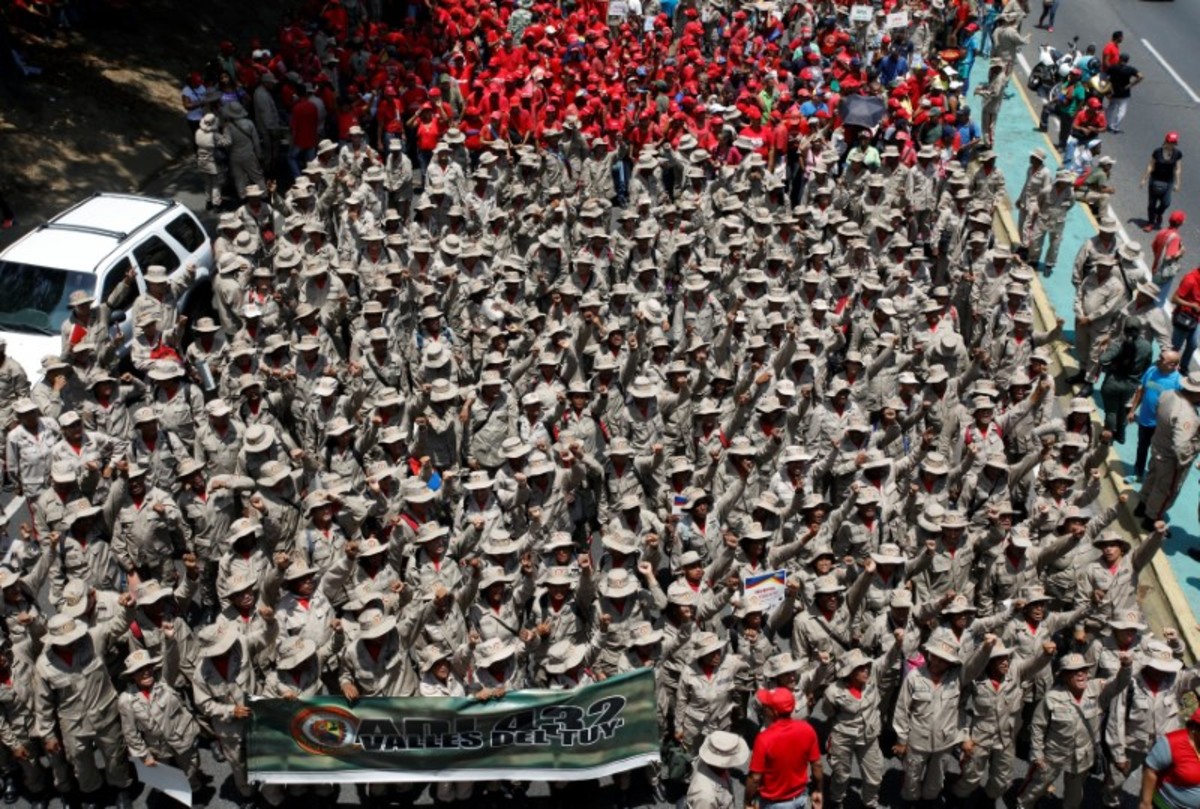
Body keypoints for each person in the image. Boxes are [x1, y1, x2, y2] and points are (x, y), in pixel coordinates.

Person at [1136, 372, 1200, 526]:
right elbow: (1181, 445)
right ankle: (1151, 519)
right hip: (1171, 459)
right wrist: (1188, 458)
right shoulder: (1188, 415)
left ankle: (1141, 507)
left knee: (1151, 478)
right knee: (1166, 490)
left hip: (1158, 446)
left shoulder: (1168, 394)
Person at [745, 687, 822, 809]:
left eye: (767, 706)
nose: (764, 708)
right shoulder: (807, 729)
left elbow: (755, 777)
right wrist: (818, 791)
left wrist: (748, 802)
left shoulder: (764, 738)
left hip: (775, 804)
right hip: (800, 798)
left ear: (775, 713)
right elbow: (817, 765)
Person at [1126, 350, 1183, 482]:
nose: (1158, 359)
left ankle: (1154, 479)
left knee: (1158, 454)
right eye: (1160, 357)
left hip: (1162, 427)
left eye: (1162, 359)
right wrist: (1132, 411)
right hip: (1145, 420)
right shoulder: (1151, 371)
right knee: (1142, 448)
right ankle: (1138, 473)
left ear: (1172, 365)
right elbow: (1141, 391)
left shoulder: (1178, 382)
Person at [1138, 707, 1200, 808]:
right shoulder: (1173, 742)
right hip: (1166, 804)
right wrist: (1145, 803)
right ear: (1195, 728)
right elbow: (1150, 770)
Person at [1142, 132, 1184, 231]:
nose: (1171, 145)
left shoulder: (1177, 154)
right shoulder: (1157, 152)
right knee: (1152, 203)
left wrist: (1178, 183)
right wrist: (1144, 178)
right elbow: (1151, 165)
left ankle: (1159, 213)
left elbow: (1177, 169)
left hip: (1168, 181)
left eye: (1173, 143)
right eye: (1170, 142)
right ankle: (1150, 223)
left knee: (1166, 202)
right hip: (1155, 179)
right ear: (1166, 141)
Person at [1105, 53, 1144, 134]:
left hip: (1113, 91)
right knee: (1122, 111)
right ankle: (1115, 125)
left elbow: (1106, 78)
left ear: (1120, 59)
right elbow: (1140, 76)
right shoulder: (1130, 69)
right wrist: (1131, 84)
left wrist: (1108, 88)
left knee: (1111, 108)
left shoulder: (1113, 67)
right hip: (1124, 93)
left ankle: (1108, 124)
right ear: (1127, 60)